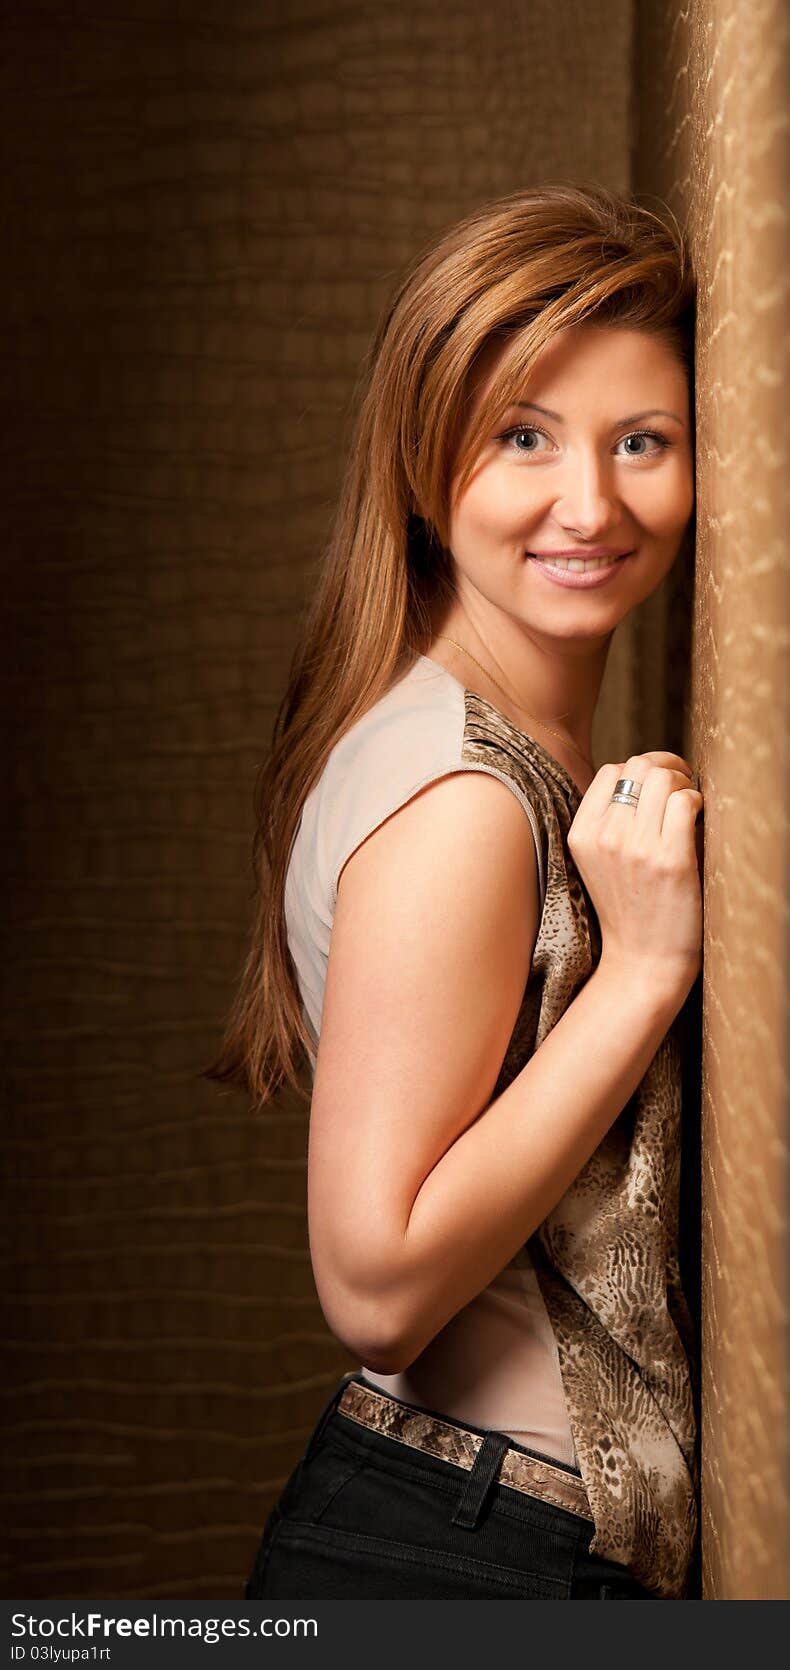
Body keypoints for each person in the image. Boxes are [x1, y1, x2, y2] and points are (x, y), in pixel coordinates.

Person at [207, 183, 704, 1601]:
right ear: (429, 465)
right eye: (524, 439)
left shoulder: (483, 743)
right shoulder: (464, 801)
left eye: (641, 442)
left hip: (483, 1534)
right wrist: (644, 972)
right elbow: (373, 1284)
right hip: (467, 1552)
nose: (590, 503)